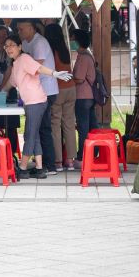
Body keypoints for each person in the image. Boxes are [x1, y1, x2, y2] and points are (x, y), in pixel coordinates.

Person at [2, 33, 72, 178]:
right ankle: (39, 168)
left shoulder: (24, 58)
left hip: (36, 102)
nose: (9, 49)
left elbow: (39, 68)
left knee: (29, 135)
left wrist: (54, 73)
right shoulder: (16, 63)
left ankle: (22, 168)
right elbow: (11, 82)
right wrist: (0, 92)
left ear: (20, 46)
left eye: (12, 45)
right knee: (34, 135)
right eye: (6, 46)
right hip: (32, 102)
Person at [17, 20, 58, 172]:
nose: (19, 32)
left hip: (46, 90)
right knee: (37, 129)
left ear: (31, 28)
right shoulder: (25, 43)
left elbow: (35, 67)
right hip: (35, 92)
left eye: (21, 29)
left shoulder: (39, 42)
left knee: (43, 128)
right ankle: (41, 163)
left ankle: (49, 164)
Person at [44, 22, 77, 170]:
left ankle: (57, 161)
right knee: (69, 124)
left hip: (58, 90)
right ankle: (70, 160)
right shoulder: (65, 50)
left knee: (55, 124)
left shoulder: (50, 51)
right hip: (71, 88)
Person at [71, 30, 98, 166]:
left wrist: (68, 78)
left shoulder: (83, 57)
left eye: (72, 39)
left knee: (83, 128)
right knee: (92, 126)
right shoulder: (88, 55)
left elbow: (79, 78)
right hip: (90, 96)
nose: (71, 41)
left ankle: (81, 156)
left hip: (82, 96)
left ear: (78, 41)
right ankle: (93, 152)